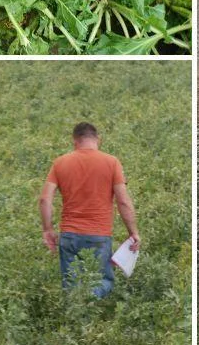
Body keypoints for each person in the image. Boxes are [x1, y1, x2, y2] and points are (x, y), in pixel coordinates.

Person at [39, 122, 140, 298]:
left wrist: (48, 230)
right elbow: (123, 201)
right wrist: (133, 232)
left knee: (71, 286)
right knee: (102, 282)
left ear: (75, 141)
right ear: (98, 139)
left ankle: (76, 319)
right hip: (99, 236)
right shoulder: (111, 162)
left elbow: (45, 199)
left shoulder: (60, 163)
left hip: (69, 235)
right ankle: (93, 314)